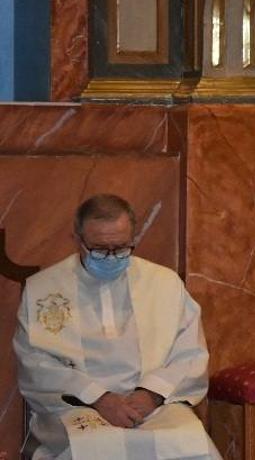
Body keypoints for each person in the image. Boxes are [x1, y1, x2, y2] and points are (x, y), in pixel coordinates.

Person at [13, 194, 218, 459]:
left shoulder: (164, 284)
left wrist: (151, 394)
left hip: (154, 405)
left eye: (121, 248)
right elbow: (36, 363)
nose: (111, 257)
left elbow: (190, 354)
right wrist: (99, 398)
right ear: (77, 239)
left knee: (191, 444)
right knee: (95, 446)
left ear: (133, 238)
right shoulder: (44, 289)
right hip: (78, 406)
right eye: (99, 249)